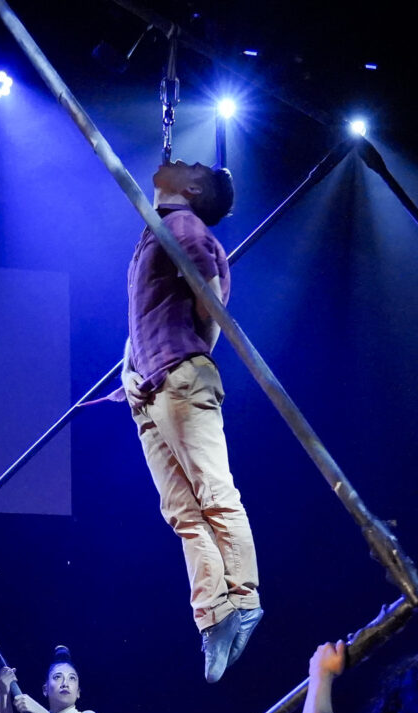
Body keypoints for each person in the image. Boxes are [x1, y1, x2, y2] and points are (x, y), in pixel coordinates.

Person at [121, 158, 262, 682]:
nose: (179, 162)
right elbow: (142, 319)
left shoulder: (184, 227)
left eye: (191, 166)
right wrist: (129, 369)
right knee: (182, 512)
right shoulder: (155, 231)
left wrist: (184, 361)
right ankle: (214, 614)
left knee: (214, 494)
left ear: (194, 189)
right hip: (148, 387)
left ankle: (244, 599)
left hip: (178, 378)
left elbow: (212, 309)